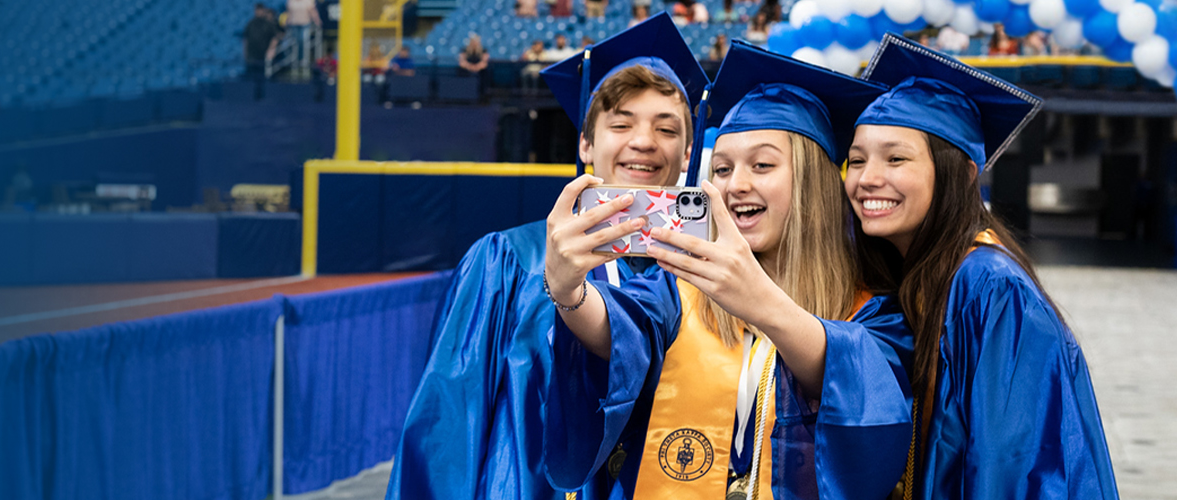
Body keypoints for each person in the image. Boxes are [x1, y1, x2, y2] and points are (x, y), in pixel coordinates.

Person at [540, 41, 910, 500]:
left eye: (762, 165)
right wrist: (568, 288)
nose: (736, 185)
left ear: (813, 182)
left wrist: (764, 303)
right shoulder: (681, 290)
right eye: (721, 168)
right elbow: (618, 328)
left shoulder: (873, 310)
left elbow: (872, 417)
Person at [384, 13, 711, 500]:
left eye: (667, 130)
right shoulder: (507, 262)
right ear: (585, 142)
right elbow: (449, 427)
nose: (644, 141)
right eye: (621, 123)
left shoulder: (707, 277)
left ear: (687, 155)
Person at [850, 34, 1118, 499]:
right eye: (856, 161)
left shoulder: (992, 289)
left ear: (964, 172)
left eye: (896, 158)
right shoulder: (919, 279)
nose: (868, 178)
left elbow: (1010, 467)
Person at [243, 4, 284, 83]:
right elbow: (245, 39)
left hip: (263, 56)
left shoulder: (268, 24)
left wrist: (271, 49)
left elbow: (276, 37)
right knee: (252, 79)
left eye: (260, 10)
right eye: (257, 10)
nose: (258, 12)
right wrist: (245, 52)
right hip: (252, 56)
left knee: (264, 79)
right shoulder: (251, 23)